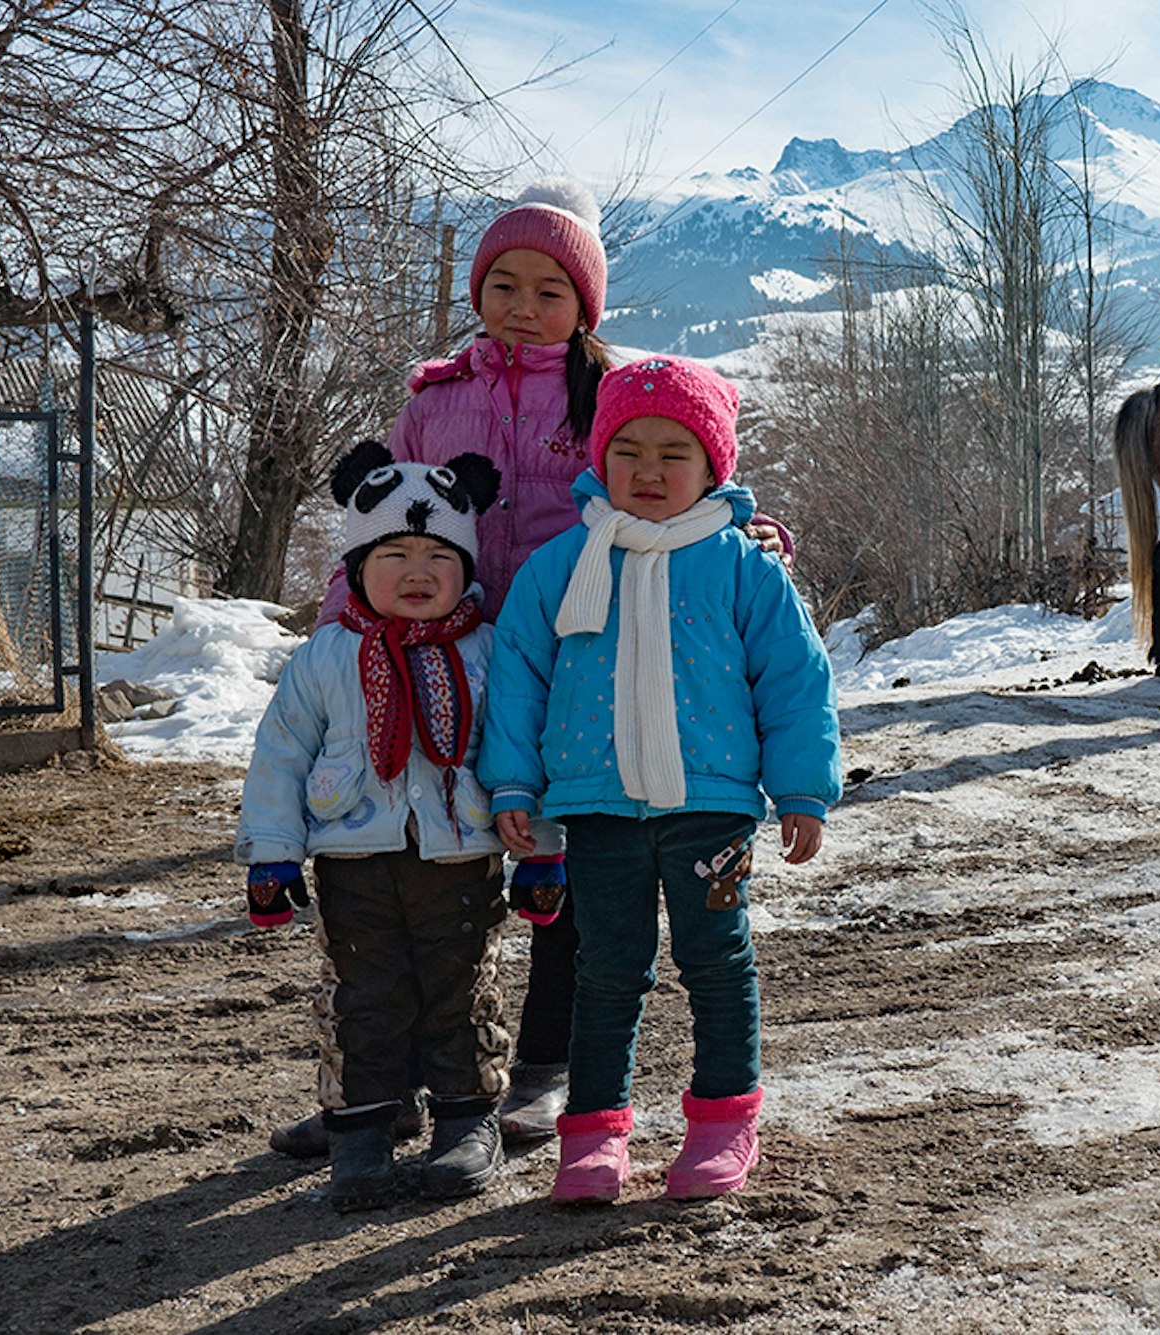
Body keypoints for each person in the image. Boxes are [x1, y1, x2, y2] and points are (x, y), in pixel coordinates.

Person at [268, 177, 793, 1159]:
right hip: (447, 656)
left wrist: (743, 531)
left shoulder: (603, 390)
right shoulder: (434, 401)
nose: (522, 303)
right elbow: (400, 515)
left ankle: (546, 1071)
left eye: (548, 290)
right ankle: (391, 1085)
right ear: (477, 289)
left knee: (570, 867)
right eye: (502, 282)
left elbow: (675, 475)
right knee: (429, 876)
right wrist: (353, 614)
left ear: (584, 304)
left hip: (575, 664)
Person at [479, 355, 841, 1203]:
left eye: (672, 452)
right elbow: (520, 677)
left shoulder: (744, 569)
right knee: (606, 969)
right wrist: (512, 785)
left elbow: (794, 679)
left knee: (717, 961)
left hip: (711, 808)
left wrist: (801, 789)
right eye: (627, 449)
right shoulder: (561, 565)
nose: (647, 470)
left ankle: (722, 1120)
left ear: (714, 465)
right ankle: (595, 1136)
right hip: (596, 810)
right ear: (599, 458)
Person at [236, 443, 510, 1211]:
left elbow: (522, 753)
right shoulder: (326, 655)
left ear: (465, 565)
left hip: (462, 855)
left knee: (461, 990)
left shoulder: (485, 651)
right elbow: (280, 754)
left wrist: (545, 851)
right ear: (358, 563)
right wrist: (271, 854)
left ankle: (464, 1119)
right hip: (353, 858)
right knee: (365, 995)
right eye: (395, 552)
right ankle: (362, 1127)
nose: (418, 571)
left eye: (437, 555)